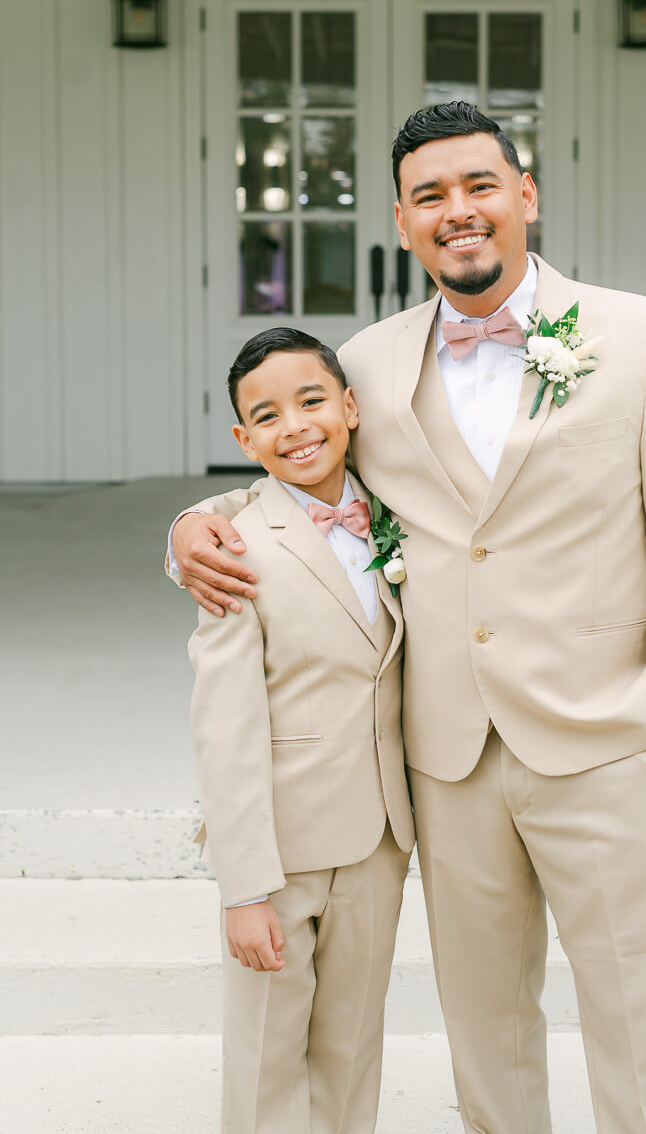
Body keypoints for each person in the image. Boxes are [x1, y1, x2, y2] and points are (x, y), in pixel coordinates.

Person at [170, 103, 646, 1134]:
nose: (458, 211)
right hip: (447, 759)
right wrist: (191, 524)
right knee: (488, 1034)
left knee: (640, 1019)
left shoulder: (645, 338)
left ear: (525, 196)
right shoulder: (372, 364)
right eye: (430, 196)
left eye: (479, 185)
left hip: (609, 740)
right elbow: (300, 469)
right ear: (402, 220)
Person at [187, 327, 413, 1134]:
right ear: (244, 440)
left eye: (312, 401)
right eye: (268, 416)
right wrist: (242, 888)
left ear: (350, 407)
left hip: (382, 836)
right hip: (280, 850)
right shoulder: (234, 548)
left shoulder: (396, 511)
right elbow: (226, 725)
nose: (297, 427)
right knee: (267, 1058)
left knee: (352, 1047)